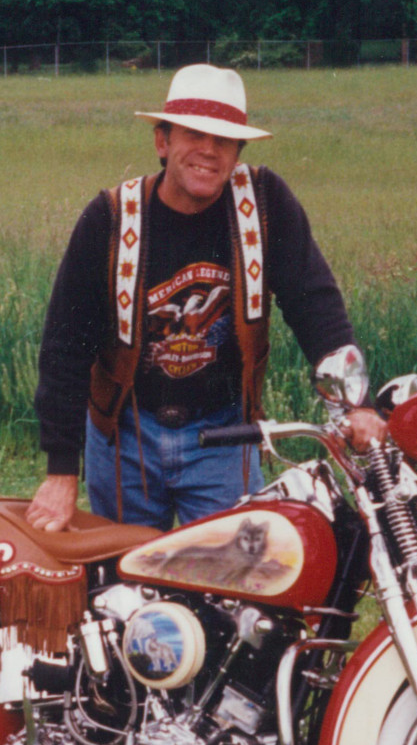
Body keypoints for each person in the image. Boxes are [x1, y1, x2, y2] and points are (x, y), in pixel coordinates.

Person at [28, 64, 385, 532]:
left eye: (224, 139)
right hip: (126, 435)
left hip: (224, 434)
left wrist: (356, 402)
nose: (208, 151)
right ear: (162, 142)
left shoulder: (264, 204)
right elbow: (65, 345)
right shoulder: (112, 219)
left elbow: (314, 303)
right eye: (194, 134)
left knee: (232, 585)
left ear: (238, 152)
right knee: (125, 583)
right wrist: (60, 469)